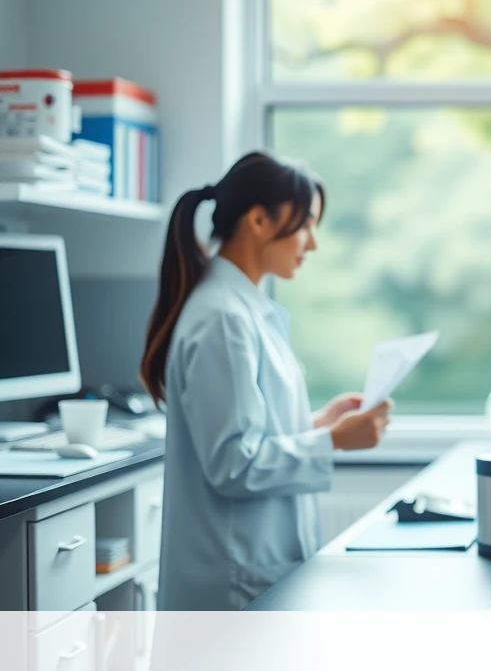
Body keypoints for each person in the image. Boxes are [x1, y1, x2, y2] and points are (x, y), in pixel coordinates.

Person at [141, 151, 390, 610]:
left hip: (254, 572)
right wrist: (332, 441)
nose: (311, 243)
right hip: (233, 583)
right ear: (258, 220)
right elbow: (235, 463)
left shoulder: (243, 311)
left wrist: (320, 425)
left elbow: (250, 434)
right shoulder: (222, 319)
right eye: (305, 224)